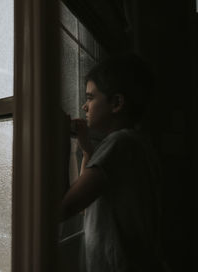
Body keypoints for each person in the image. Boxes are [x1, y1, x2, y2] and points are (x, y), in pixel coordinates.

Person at [61, 54, 168, 272]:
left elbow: (68, 206)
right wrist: (87, 151)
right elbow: (86, 208)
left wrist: (56, 139)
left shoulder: (120, 143)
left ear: (117, 103)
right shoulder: (136, 143)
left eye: (90, 98)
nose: (84, 106)